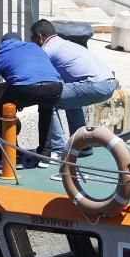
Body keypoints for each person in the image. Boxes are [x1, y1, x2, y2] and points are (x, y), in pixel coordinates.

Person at [0, 31, 64, 168]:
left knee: (1, 106)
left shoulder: (3, 53)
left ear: (2, 44)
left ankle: (14, 156)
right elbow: (35, 71)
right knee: (46, 111)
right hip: (55, 87)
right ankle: (45, 157)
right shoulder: (35, 48)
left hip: (27, 89)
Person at [30, 19, 117, 158]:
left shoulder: (48, 49)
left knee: (47, 99)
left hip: (95, 84)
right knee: (71, 101)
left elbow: (31, 73)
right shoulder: (65, 44)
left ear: (39, 37)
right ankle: (82, 146)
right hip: (109, 83)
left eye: (32, 39)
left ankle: (57, 148)